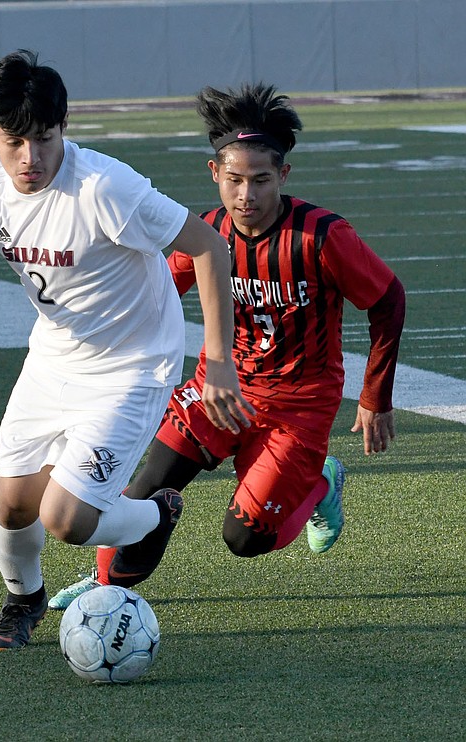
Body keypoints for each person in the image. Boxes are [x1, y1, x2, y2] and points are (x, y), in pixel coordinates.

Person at [0, 50, 253, 651]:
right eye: (14, 142)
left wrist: (217, 363)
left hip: (134, 364)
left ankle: (157, 515)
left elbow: (212, 246)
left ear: (65, 128)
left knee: (66, 519)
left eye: (44, 138)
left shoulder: (105, 187)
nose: (30, 158)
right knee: (13, 506)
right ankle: (24, 600)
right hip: (55, 358)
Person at [48, 81, 406, 609]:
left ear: (283, 175)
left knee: (243, 539)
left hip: (297, 408)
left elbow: (388, 300)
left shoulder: (323, 237)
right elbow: (153, 294)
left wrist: (375, 397)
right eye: (234, 180)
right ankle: (105, 590)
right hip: (219, 389)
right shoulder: (206, 233)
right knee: (146, 482)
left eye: (261, 180)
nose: (247, 196)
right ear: (214, 173)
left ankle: (320, 487)